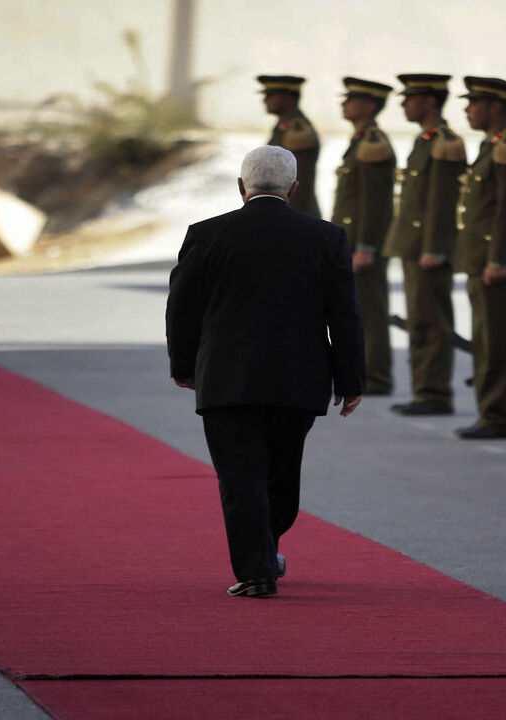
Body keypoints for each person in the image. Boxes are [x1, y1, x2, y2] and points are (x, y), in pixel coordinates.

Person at [166, 146, 365, 597]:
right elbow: (345, 315)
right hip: (298, 380)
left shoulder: (206, 234)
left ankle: (258, 566)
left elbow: (181, 307)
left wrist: (183, 363)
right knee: (280, 473)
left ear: (241, 188)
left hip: (227, 378)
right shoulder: (326, 237)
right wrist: (350, 380)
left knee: (240, 477)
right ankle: (263, 558)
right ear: (293, 189)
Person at [453, 76, 506, 439]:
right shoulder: (492, 145)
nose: (467, 109)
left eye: (475, 103)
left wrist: (499, 260)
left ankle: (501, 416)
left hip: (495, 264)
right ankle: (491, 413)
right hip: (481, 260)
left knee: (499, 342)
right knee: (486, 341)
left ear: (496, 108)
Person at [384, 74, 466, 415]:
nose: (404, 104)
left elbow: (443, 202)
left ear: (429, 101)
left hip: (428, 250)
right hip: (414, 246)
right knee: (419, 321)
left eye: (410, 98)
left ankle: (434, 394)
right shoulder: (426, 140)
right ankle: (424, 391)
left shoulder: (445, 141)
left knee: (431, 322)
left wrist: (434, 248)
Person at [333, 77, 396, 395]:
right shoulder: (360, 139)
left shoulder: (373, 142)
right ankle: (364, 373)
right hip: (352, 242)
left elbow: (376, 202)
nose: (344, 103)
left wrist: (366, 246)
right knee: (358, 311)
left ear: (369, 106)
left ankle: (377, 377)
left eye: (351, 98)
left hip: (362, 245)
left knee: (370, 312)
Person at [259, 74, 322, 217]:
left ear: (289, 98)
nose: (264, 100)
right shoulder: (284, 127)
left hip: (296, 217)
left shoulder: (298, 132)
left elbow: (297, 184)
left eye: (270, 95)